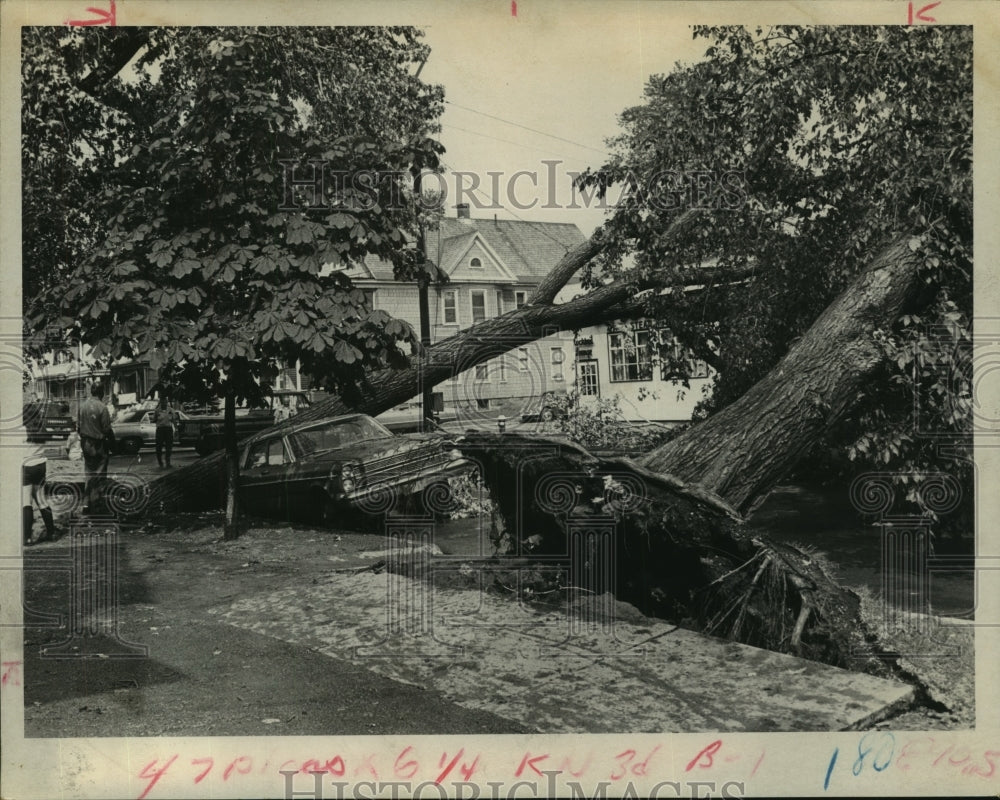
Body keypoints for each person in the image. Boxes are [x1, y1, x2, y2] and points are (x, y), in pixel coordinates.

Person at [79, 381, 113, 513]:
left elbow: (78, 428)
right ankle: (97, 505)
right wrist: (112, 444)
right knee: (99, 475)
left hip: (85, 443)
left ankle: (86, 504)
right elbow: (107, 429)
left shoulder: (82, 407)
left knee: (89, 473)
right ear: (101, 393)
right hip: (98, 444)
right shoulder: (102, 407)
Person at [154, 396, 179, 468]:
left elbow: (174, 420)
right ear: (160, 402)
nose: (164, 403)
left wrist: (176, 429)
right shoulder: (157, 410)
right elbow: (154, 419)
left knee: (169, 446)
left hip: (168, 429)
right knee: (159, 447)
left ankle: (168, 462)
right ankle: (160, 462)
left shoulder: (171, 410)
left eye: (165, 401)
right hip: (160, 430)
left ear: (167, 402)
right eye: (162, 401)